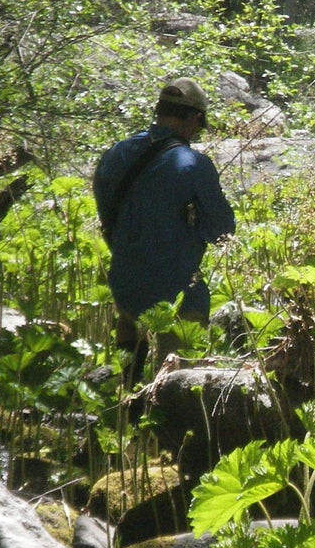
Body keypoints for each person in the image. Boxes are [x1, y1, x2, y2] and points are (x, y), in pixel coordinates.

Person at [92, 77, 237, 385]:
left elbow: (106, 219)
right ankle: (164, 422)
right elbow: (222, 231)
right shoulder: (193, 164)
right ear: (195, 119)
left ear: (159, 112)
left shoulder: (117, 153)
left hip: (125, 285)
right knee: (175, 388)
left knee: (127, 378)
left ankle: (124, 409)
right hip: (178, 295)